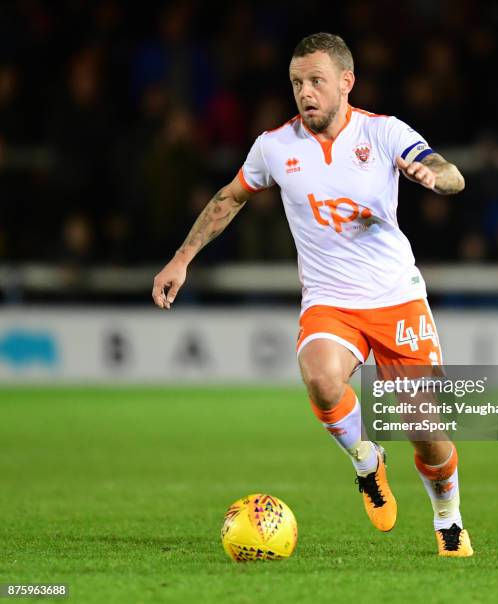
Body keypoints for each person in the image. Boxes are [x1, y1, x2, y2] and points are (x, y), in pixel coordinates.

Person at [152, 32, 472, 557]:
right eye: (298, 82)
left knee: (426, 431)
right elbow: (227, 199)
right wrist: (182, 258)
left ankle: (448, 518)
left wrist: (433, 177)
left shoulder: (384, 133)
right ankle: (367, 462)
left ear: (346, 82)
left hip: (396, 298)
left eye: (317, 81)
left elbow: (451, 174)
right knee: (322, 379)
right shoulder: (275, 146)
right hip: (330, 301)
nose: (306, 91)